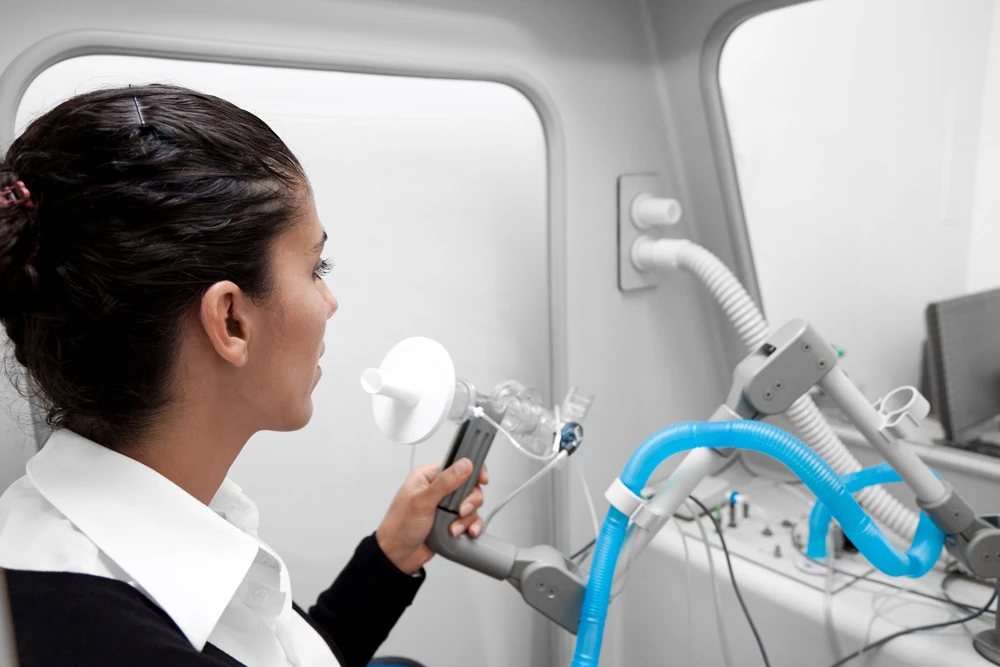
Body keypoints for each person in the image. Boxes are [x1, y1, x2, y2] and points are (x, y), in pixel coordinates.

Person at [0, 84, 487, 667]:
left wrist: (391, 553)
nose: (329, 302)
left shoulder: (103, 535)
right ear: (231, 319)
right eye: (316, 268)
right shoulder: (114, 637)